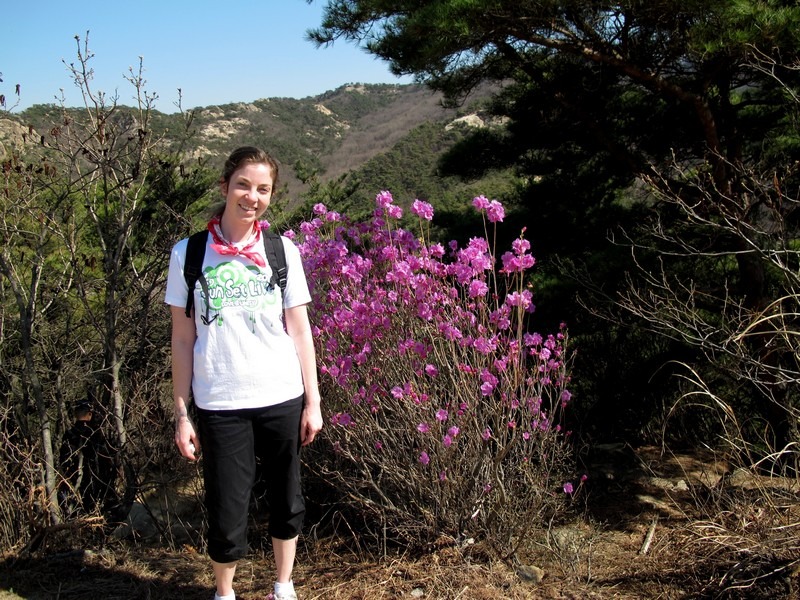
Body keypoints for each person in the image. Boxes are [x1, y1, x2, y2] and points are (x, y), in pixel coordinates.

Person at [165, 146, 323, 600]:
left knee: (287, 501)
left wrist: (312, 401)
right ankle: (225, 592)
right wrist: (181, 413)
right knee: (227, 508)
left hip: (281, 395)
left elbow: (299, 329)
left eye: (263, 189)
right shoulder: (190, 254)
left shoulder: (281, 251)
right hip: (220, 401)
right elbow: (182, 338)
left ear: (270, 196)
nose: (251, 197)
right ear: (225, 186)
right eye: (243, 185)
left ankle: (283, 586)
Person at [58, 400, 117, 517]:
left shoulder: (69, 434)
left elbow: (63, 462)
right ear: (90, 414)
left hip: (74, 484)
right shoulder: (94, 433)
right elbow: (106, 460)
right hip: (96, 484)